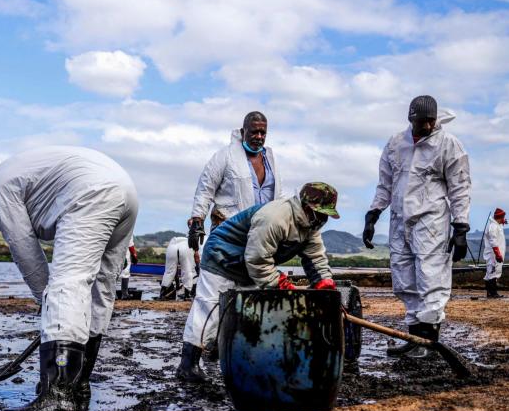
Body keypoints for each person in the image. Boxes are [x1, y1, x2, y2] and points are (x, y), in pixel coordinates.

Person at [0, 146, 138, 411]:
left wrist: (49, 303)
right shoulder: (19, 168)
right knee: (100, 289)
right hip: (126, 191)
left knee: (67, 285)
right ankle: (76, 387)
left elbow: (26, 252)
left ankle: (58, 397)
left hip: (90, 193)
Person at [177, 183, 339, 380]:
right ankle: (188, 365)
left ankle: (226, 354)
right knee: (209, 310)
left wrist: (324, 283)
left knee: (248, 312)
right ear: (307, 207)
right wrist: (279, 283)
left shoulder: (310, 228)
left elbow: (316, 258)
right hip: (222, 257)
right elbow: (257, 259)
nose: (323, 220)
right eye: (320, 214)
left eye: (326, 216)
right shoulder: (275, 218)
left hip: (247, 266)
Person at [362, 95, 472, 358]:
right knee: (404, 277)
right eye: (421, 121)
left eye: (430, 122)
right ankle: (413, 338)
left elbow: (460, 188)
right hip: (400, 221)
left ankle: (429, 341)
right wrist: (374, 213)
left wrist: (461, 227)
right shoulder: (396, 144)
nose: (425, 126)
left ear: (435, 119)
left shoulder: (448, 144)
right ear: (411, 119)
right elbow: (385, 183)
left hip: (431, 220)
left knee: (430, 276)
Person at [187, 111, 286, 251]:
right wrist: (197, 220)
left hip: (261, 235)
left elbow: (278, 196)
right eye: (254, 132)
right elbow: (205, 188)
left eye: (263, 133)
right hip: (227, 231)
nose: (259, 137)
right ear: (243, 131)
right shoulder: (225, 156)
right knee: (222, 272)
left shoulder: (271, 160)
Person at [483, 208, 508, 298]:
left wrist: (503, 222)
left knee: (494, 271)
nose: (503, 219)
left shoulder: (496, 225)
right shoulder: (493, 227)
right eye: (503, 217)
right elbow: (493, 241)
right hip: (493, 254)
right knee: (492, 272)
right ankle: (492, 293)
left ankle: (492, 292)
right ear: (499, 217)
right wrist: (497, 254)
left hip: (496, 254)